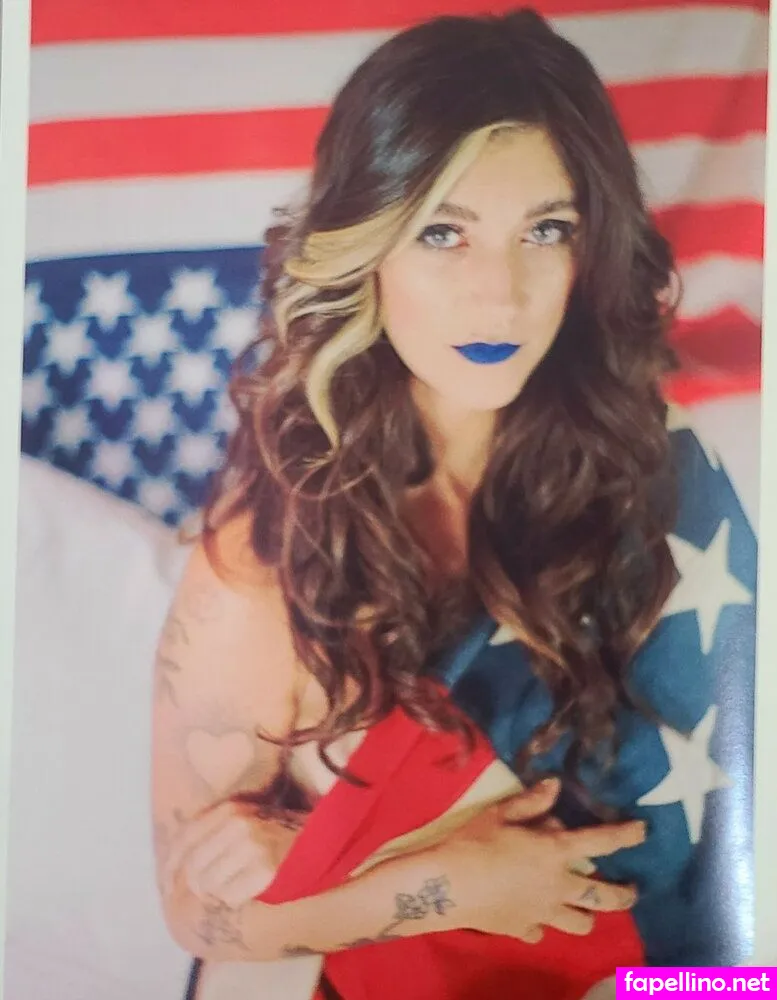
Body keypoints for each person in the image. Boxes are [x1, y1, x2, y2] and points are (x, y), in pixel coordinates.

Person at [151, 8, 757, 999]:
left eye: (545, 230)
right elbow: (194, 911)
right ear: (366, 246)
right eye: (443, 232)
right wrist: (444, 886)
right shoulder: (266, 562)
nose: (500, 295)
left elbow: (731, 913)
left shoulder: (663, 476)